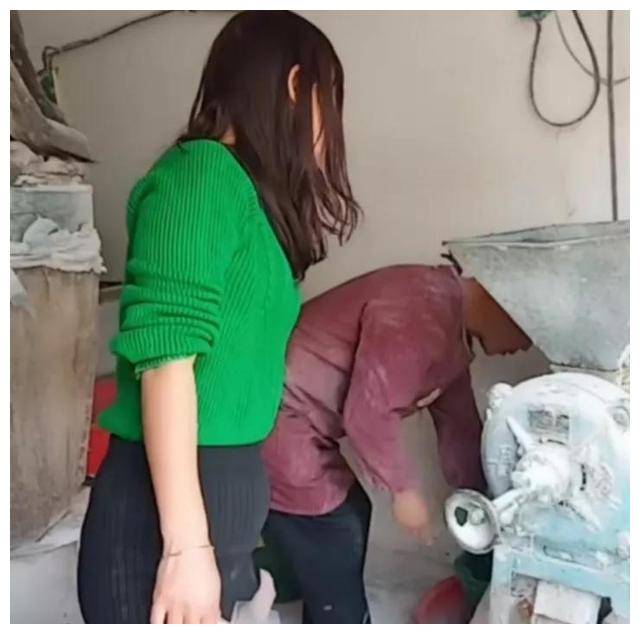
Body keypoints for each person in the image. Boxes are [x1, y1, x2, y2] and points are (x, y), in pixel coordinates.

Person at [77, 11, 361, 624]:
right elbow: (166, 359)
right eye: (329, 97)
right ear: (296, 85)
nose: (333, 124)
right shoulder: (201, 175)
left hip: (220, 490)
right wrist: (186, 549)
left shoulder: (247, 197)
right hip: (162, 512)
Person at [260, 263, 531, 623]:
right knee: (333, 528)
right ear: (505, 302)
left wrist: (486, 504)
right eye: (530, 328)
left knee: (338, 519)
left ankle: (286, 581)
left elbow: (460, 426)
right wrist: (404, 491)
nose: (526, 345)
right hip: (278, 415)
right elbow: (368, 414)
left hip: (298, 421)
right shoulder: (422, 306)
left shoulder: (447, 322)